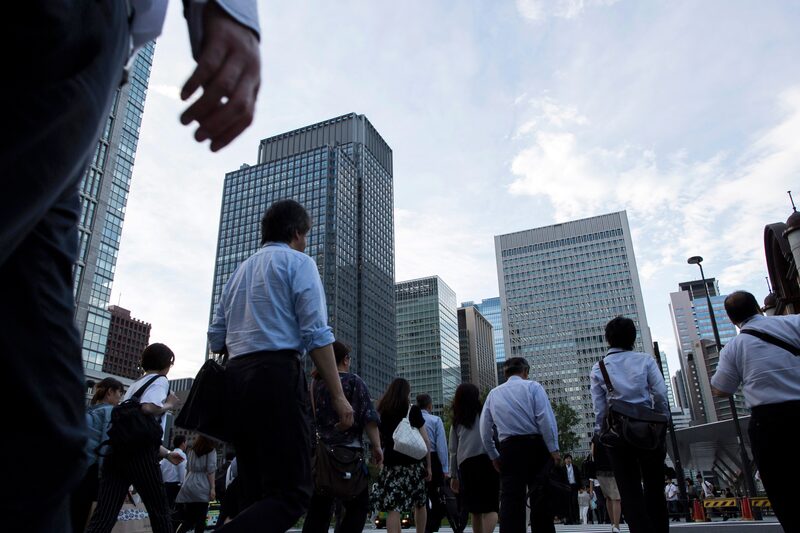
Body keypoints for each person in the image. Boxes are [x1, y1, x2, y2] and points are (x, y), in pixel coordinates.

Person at [2, 2, 260, 529]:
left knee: (44, 426)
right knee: (45, 428)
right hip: (77, 27)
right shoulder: (158, 385)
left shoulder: (141, 376)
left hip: (102, 47)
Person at [208, 199, 354, 531]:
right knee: (293, 492)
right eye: (305, 234)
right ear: (295, 232)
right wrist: (338, 395)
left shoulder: (239, 271)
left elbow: (216, 337)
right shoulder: (298, 263)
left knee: (253, 487)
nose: (306, 241)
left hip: (235, 380)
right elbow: (317, 333)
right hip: (276, 376)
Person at [710, 290, 800, 532]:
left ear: (731, 320)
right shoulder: (794, 322)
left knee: (782, 487)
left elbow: (720, 389)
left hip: (769, 421)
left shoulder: (734, 347)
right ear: (759, 308)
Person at [87, 343, 185, 533]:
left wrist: (165, 454)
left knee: (104, 515)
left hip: (116, 453)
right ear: (167, 363)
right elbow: (148, 408)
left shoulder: (135, 385)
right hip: (141, 457)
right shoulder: (161, 380)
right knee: (160, 512)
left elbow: (137, 429)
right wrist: (169, 404)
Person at [590, 316, 670, 533]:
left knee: (629, 490)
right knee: (655, 487)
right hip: (648, 431)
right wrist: (662, 419)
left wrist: (600, 433)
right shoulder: (645, 360)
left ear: (608, 339)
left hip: (618, 435)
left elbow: (600, 409)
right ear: (633, 337)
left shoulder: (599, 368)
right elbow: (661, 394)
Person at [302, 340, 383, 533]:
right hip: (349, 457)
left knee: (319, 508)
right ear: (345, 360)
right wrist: (377, 446)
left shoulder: (315, 386)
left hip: (321, 458)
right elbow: (369, 419)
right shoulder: (354, 382)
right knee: (359, 505)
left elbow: (307, 419)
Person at [480, 357, 560, 533]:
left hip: (509, 448)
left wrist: (493, 455)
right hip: (535, 446)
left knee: (510, 499)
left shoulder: (494, 394)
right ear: (525, 372)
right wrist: (553, 449)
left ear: (505, 373)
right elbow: (545, 419)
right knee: (540, 497)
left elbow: (485, 430)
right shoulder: (533, 387)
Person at [370, 378, 432, 533]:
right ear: (407, 393)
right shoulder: (413, 410)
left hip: (391, 464)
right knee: (420, 502)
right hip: (414, 465)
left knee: (393, 508)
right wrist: (428, 466)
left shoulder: (383, 411)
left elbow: (378, 439)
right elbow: (425, 440)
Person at [70, 377, 125, 532]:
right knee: (90, 516)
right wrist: (105, 475)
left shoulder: (89, 409)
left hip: (79, 468)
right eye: (119, 393)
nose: (120, 398)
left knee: (75, 513)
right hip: (94, 471)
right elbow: (107, 443)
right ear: (110, 392)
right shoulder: (110, 411)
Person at [448, 383, 499, 533]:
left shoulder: (457, 420)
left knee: (475, 510)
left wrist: (453, 475)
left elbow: (453, 450)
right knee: (491, 507)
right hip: (489, 460)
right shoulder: (487, 412)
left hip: (467, 465)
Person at [416, 393, 449, 533]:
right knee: (435, 494)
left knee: (420, 495)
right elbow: (442, 446)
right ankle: (433, 524)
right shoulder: (436, 420)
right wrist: (445, 467)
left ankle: (424, 524)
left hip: (416, 457)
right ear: (430, 406)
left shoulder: (412, 419)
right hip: (434, 458)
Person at [176, 435, 218, 533]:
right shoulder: (211, 450)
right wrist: (212, 488)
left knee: (189, 519)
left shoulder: (191, 450)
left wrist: (184, 484)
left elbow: (188, 469)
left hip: (189, 483)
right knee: (201, 519)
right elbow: (210, 471)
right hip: (202, 485)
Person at [591, 435, 621, 533]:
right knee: (616, 498)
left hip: (600, 470)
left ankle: (612, 524)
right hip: (613, 468)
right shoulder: (613, 434)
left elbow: (592, 454)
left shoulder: (595, 438)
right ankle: (616, 525)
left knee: (608, 497)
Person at [161, 435, 188, 512]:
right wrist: (183, 483)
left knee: (167, 507)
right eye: (186, 442)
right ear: (183, 443)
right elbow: (182, 470)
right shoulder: (182, 454)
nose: (186, 444)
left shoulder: (168, 455)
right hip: (176, 486)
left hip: (166, 485)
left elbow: (161, 468)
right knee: (176, 509)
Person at [560, 454, 582, 524]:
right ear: (564, 460)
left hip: (574, 486)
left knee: (574, 502)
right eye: (567, 459)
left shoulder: (575, 467)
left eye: (569, 458)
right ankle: (569, 519)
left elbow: (579, 477)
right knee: (567, 503)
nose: (568, 460)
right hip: (566, 487)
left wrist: (581, 487)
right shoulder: (562, 468)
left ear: (571, 460)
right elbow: (561, 480)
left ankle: (577, 519)